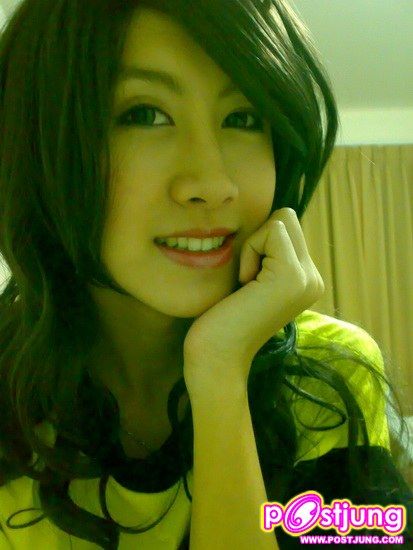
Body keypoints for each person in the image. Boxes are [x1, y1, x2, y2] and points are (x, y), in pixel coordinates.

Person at [0, 0, 411, 548]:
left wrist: (220, 374)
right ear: (38, 143)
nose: (214, 183)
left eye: (243, 118)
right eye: (145, 114)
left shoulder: (327, 371)